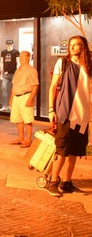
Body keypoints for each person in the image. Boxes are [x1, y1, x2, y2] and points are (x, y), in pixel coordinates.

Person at [47, 35, 92, 197]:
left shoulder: (89, 66)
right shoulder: (63, 63)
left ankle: (67, 182)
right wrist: (51, 109)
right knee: (62, 151)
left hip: (82, 116)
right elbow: (53, 87)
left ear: (83, 47)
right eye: (71, 45)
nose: (73, 47)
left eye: (77, 45)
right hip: (65, 114)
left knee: (74, 152)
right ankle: (53, 182)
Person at [9, 51, 39, 148]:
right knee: (18, 119)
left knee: (27, 119)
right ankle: (20, 138)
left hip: (26, 96)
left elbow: (35, 86)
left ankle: (28, 140)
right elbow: (14, 85)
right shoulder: (18, 70)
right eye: (20, 56)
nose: (21, 58)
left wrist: (30, 99)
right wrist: (11, 99)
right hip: (16, 97)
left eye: (23, 56)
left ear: (28, 58)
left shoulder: (32, 70)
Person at [0, 40, 20, 111]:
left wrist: (18, 73)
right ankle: (5, 106)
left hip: (14, 73)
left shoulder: (16, 52)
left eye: (10, 44)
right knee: (4, 89)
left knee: (14, 90)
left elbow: (18, 63)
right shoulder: (3, 52)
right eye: (8, 44)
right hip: (6, 73)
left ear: (13, 44)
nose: (9, 45)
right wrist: (1, 74)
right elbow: (1, 63)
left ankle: (12, 105)